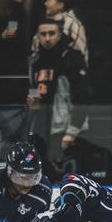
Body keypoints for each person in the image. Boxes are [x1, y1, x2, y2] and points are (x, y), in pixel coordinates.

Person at [27, 19, 92, 161]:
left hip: (66, 129)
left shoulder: (72, 58)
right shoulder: (35, 61)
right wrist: (33, 101)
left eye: (51, 33)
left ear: (59, 35)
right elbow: (33, 86)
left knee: (66, 170)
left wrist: (72, 132)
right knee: (39, 168)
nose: (47, 38)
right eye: (43, 34)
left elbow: (83, 96)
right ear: (38, 36)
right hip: (41, 128)